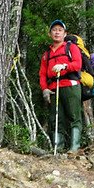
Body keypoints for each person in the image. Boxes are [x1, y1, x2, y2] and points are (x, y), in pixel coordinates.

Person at [39, 19, 83, 154]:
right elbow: (42, 74)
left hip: (70, 85)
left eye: (60, 30)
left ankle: (74, 148)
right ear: (50, 33)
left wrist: (65, 66)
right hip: (54, 88)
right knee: (56, 119)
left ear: (65, 34)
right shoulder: (47, 54)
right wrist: (45, 89)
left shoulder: (71, 48)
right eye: (54, 30)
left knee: (74, 116)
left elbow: (77, 64)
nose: (57, 32)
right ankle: (58, 147)